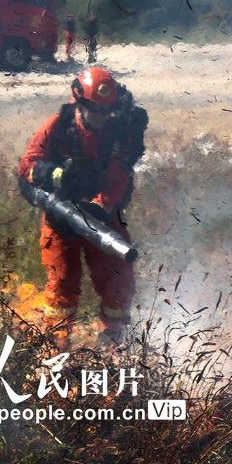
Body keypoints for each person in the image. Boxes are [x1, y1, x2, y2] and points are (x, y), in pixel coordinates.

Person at [17, 66, 148, 348]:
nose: (101, 117)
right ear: (80, 103)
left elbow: (118, 177)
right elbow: (27, 166)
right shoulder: (57, 126)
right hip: (60, 217)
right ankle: (57, 348)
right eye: (95, 110)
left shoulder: (117, 133)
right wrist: (53, 174)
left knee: (117, 280)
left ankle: (115, 345)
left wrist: (100, 207)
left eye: (106, 111)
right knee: (62, 284)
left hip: (103, 218)